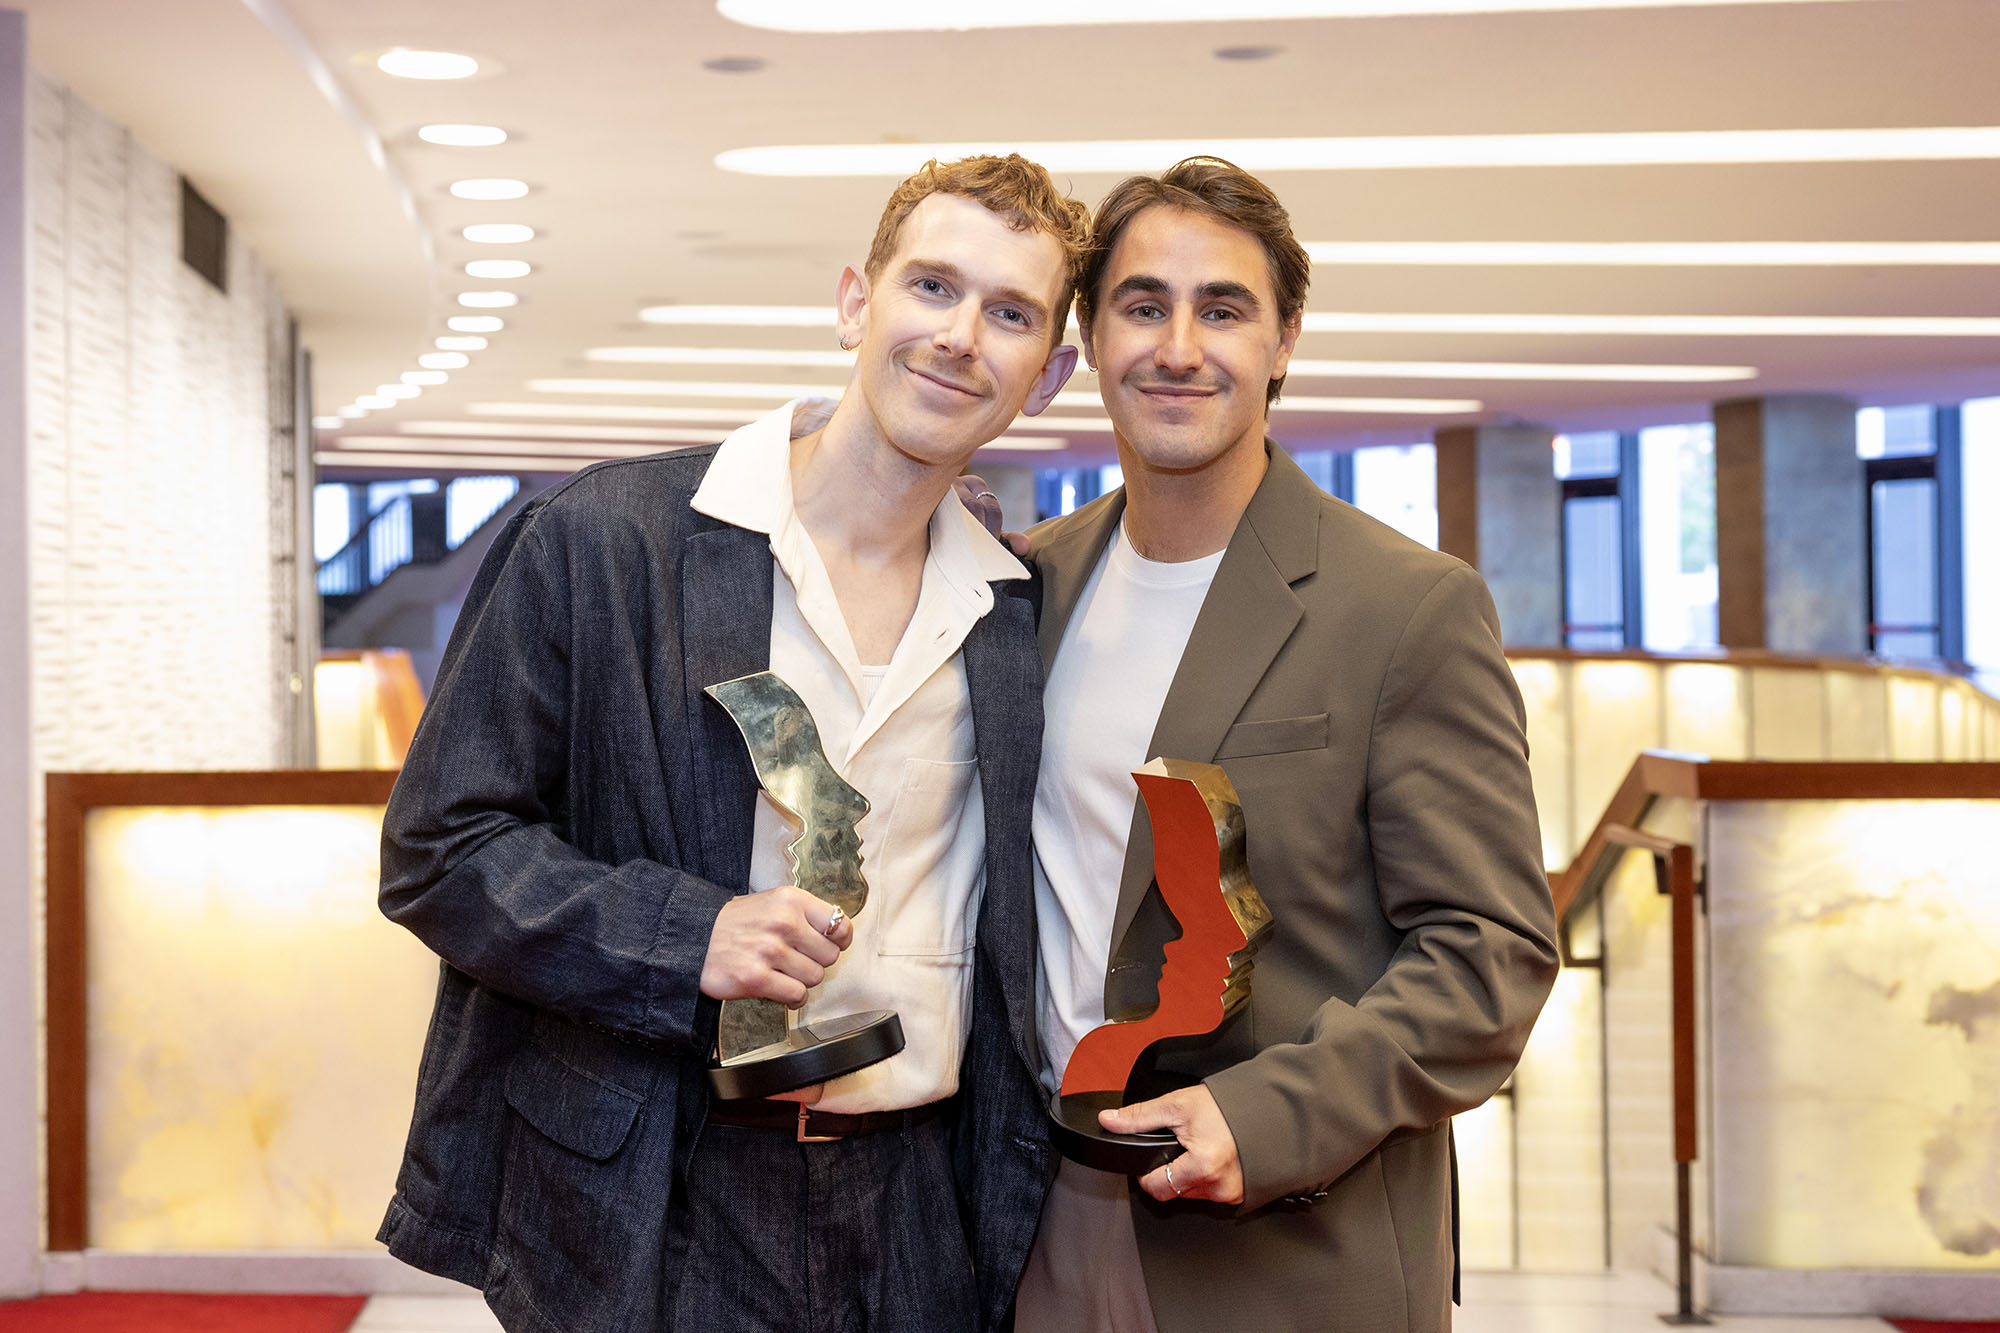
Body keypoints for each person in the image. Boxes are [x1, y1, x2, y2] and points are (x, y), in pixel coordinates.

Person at [374, 154, 1086, 1333]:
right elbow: (440, 850)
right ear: (855, 302)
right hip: (664, 1190)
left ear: (1048, 375)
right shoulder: (605, 542)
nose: (960, 336)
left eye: (1010, 314)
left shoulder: (1010, 617)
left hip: (915, 1209)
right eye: (931, 287)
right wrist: (684, 935)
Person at [1014, 157, 1560, 1333]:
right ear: (1091, 336)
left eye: (1222, 310)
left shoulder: (1402, 607)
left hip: (1280, 1249)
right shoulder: (1025, 586)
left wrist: (1265, 1117)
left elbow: (1491, 953)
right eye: (1142, 306)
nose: (1178, 348)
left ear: (1282, 343)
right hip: (1032, 1225)